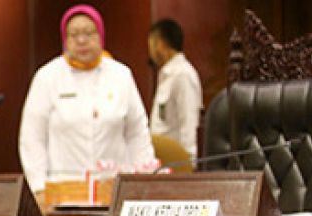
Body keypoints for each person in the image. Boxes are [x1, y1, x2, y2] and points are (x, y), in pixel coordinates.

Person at [19, 4, 155, 204]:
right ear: (65, 39)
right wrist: (38, 187)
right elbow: (32, 139)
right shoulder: (47, 77)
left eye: (89, 33)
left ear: (100, 35)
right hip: (63, 193)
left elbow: (137, 133)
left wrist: (143, 184)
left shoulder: (121, 75)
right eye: (73, 35)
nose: (81, 40)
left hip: (115, 192)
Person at [147, 19, 203, 160]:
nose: (150, 52)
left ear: (160, 43)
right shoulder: (167, 75)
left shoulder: (182, 75)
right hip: (162, 162)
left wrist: (188, 166)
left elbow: (190, 123)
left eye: (151, 44)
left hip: (177, 163)